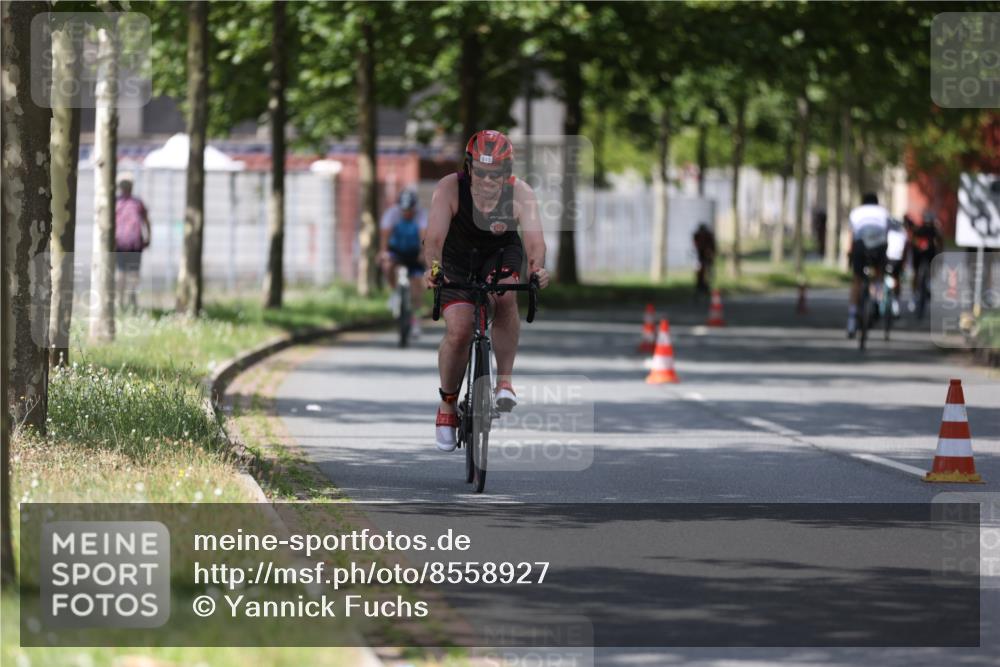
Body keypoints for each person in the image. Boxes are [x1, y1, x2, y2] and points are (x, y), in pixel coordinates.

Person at [423, 130, 550, 452]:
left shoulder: (520, 193)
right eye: (481, 172)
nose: (488, 180)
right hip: (456, 258)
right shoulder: (449, 188)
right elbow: (435, 238)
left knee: (506, 294)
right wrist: (434, 268)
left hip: (499, 254)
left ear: (507, 173)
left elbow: (535, 241)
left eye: (496, 174)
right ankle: (448, 406)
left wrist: (536, 269)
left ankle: (504, 382)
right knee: (461, 329)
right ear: (469, 167)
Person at [379, 189, 427, 336]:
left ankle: (416, 321)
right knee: (387, 265)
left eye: (410, 210)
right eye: (404, 210)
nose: (407, 213)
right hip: (397, 251)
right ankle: (394, 291)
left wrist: (423, 253)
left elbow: (424, 236)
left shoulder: (421, 215)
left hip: (414, 253)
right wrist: (384, 252)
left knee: (416, 288)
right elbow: (385, 237)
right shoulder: (391, 214)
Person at [846, 192, 891, 338]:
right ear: (877, 203)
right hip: (878, 245)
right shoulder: (883, 212)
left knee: (857, 280)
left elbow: (851, 235)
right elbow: (887, 233)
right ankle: (877, 300)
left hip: (860, 244)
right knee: (879, 273)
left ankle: (852, 319)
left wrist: (849, 254)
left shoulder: (856, 212)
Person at [114, 176, 151, 312]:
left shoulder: (115, 203)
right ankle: (132, 301)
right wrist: (148, 237)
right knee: (133, 272)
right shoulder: (137, 203)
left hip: (120, 243)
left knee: (121, 272)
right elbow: (146, 221)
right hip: (135, 243)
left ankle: (120, 302)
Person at [907, 209, 944, 311]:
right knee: (930, 269)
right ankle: (927, 286)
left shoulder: (920, 229)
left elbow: (912, 241)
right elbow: (940, 243)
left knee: (916, 272)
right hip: (926, 254)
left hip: (919, 254)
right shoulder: (934, 229)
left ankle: (915, 295)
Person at [692, 223, 716, 299]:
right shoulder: (698, 235)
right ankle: (700, 286)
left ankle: (705, 286)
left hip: (706, 257)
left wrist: (711, 254)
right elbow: (696, 246)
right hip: (700, 257)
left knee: (707, 272)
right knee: (700, 271)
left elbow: (712, 247)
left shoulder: (707, 236)